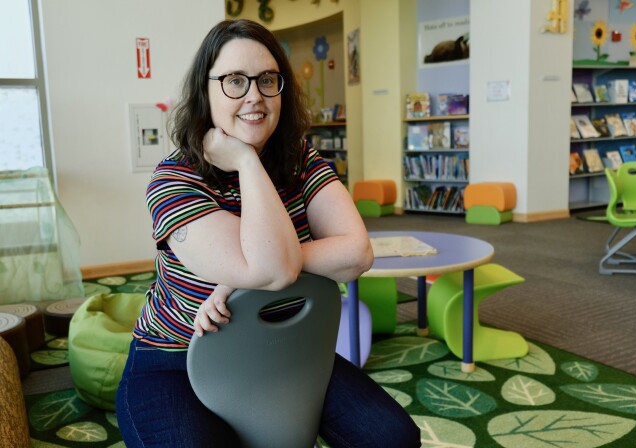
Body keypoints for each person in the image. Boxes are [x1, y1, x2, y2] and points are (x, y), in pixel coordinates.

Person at [116, 19, 421, 448]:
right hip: (175, 358)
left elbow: (356, 254)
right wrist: (245, 161)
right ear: (205, 90)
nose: (254, 95)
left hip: (288, 349)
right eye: (234, 81)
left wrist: (238, 281)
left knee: (394, 439)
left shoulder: (300, 158)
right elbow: (273, 270)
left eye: (267, 80)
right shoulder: (174, 181)